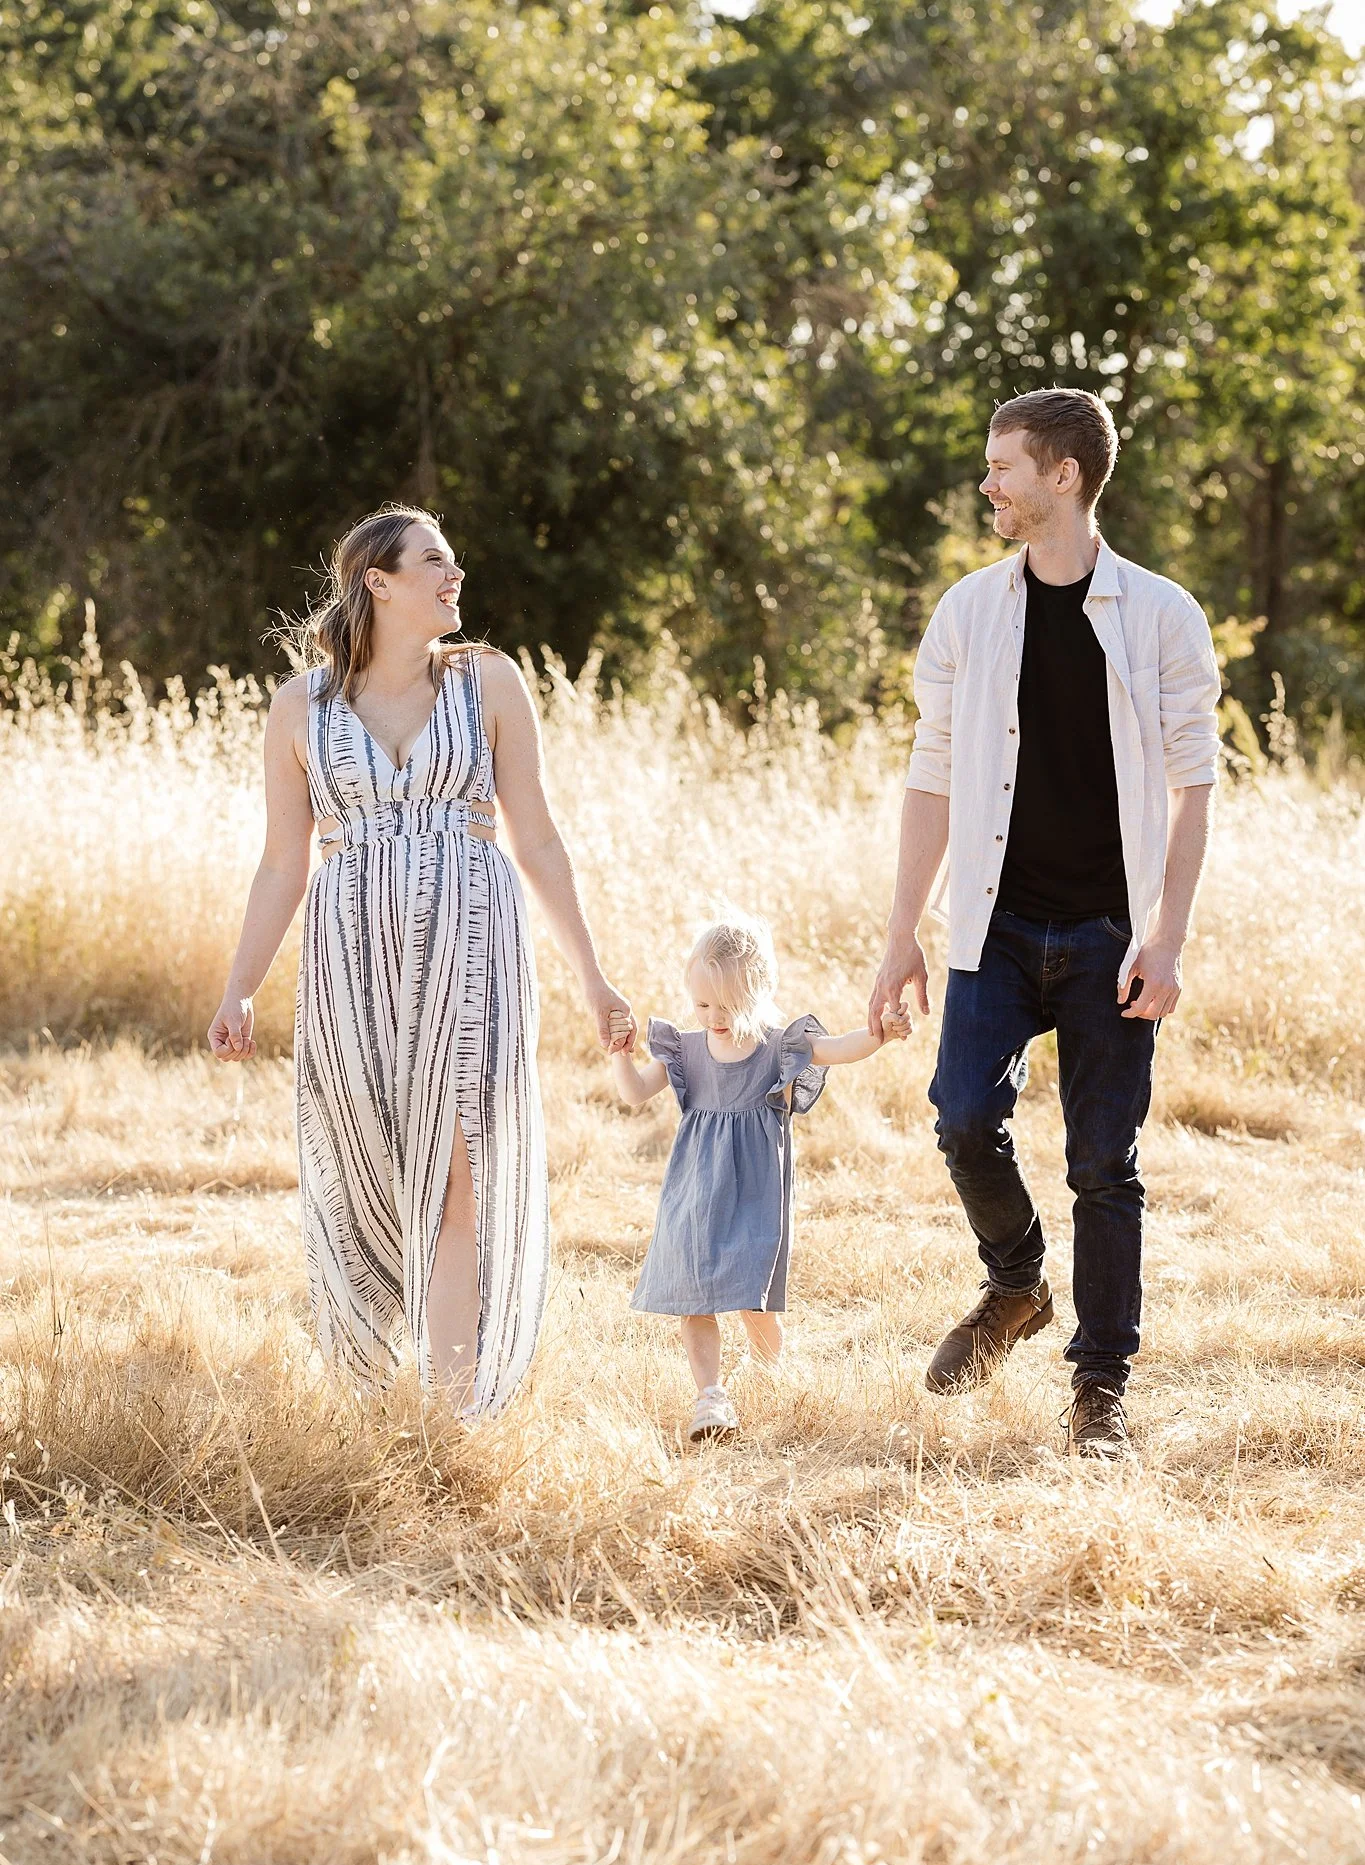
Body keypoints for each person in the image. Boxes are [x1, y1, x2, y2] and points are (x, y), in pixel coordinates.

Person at [209, 503, 635, 1414]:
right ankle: (365, 1394)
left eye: (455, 563)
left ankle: (455, 1415)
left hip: (472, 942)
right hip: (347, 955)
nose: (456, 578)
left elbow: (540, 841)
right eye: (435, 562)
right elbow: (283, 862)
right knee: (365, 1167)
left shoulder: (488, 682)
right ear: (379, 582)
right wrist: (239, 988)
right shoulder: (301, 706)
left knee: (456, 1173)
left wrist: (592, 978)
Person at [867, 389, 1220, 1458]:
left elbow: (1196, 785)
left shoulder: (1162, 614)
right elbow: (929, 779)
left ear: (1063, 475)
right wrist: (901, 932)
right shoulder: (969, 612)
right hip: (996, 924)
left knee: (1103, 1166)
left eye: (1004, 465)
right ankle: (1016, 1283)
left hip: (1113, 934)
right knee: (963, 1119)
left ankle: (1100, 1388)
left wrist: (1167, 937)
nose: (989, 484)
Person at [613, 910, 911, 1441]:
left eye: (726, 1006)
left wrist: (881, 1034)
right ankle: (710, 1398)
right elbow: (635, 1092)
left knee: (754, 1295)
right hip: (696, 1189)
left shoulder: (779, 1046)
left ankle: (771, 1379)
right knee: (695, 1294)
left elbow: (840, 1048)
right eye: (703, 1004)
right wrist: (619, 1055)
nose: (713, 1016)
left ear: (757, 992)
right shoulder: (684, 1048)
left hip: (755, 1193)